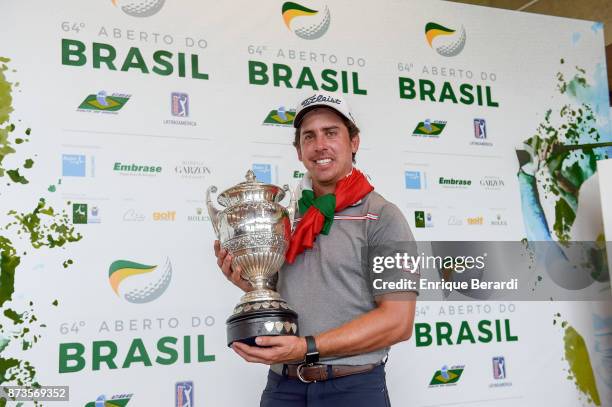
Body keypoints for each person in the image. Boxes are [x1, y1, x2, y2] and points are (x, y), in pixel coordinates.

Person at [214, 91, 418, 406]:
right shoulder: (284, 217)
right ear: (299, 151)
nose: (320, 144)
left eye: (331, 133)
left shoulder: (383, 216)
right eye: (309, 136)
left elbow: (398, 321)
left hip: (353, 388)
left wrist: (306, 347)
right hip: (283, 387)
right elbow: (289, 291)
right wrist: (252, 283)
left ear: (354, 142)